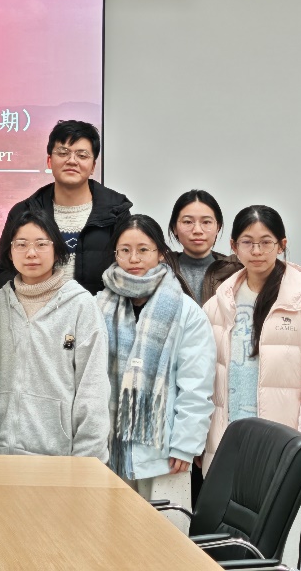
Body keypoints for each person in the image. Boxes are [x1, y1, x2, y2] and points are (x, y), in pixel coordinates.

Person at [203, 205, 301, 480]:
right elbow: (203, 380)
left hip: (284, 448)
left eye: (266, 242)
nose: (256, 251)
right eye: (247, 242)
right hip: (228, 445)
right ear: (234, 246)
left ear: (282, 245)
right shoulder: (218, 305)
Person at [97, 214, 215, 530]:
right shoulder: (99, 306)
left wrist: (186, 445)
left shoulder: (185, 310)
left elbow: (196, 385)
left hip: (165, 453)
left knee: (165, 540)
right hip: (110, 448)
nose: (134, 259)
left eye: (143, 250)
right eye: (125, 251)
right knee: (112, 538)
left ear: (161, 253)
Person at [0, 207, 110, 459]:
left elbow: (93, 389)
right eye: (21, 244)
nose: (31, 253)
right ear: (9, 252)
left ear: (57, 250)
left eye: (41, 244)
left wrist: (89, 460)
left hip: (56, 458)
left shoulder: (81, 306)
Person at [0, 119, 132, 295]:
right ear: (49, 161)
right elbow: (5, 272)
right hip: (37, 311)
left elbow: (128, 271)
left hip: (99, 311)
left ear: (93, 166)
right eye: (63, 153)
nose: (72, 161)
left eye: (82, 155)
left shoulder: (116, 212)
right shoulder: (24, 212)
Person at [169, 189, 240, 304]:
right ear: (174, 228)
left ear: (218, 227)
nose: (197, 230)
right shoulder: (161, 270)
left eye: (206, 222)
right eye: (188, 222)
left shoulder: (236, 271)